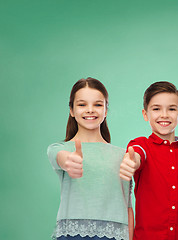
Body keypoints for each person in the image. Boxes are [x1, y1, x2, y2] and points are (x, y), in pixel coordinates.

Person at [119, 81, 178, 240]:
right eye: (156, 109)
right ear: (145, 114)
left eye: (172, 109)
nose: (165, 115)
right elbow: (136, 156)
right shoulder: (141, 145)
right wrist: (131, 162)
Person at [47, 77, 133, 240]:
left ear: (106, 110)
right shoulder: (61, 149)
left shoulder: (123, 155)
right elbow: (59, 157)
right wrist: (68, 161)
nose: (90, 110)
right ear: (72, 110)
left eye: (98, 104)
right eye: (82, 104)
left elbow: (128, 206)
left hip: (115, 236)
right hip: (73, 235)